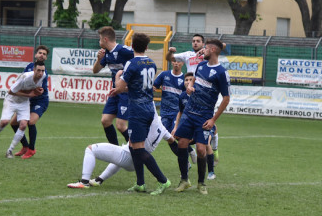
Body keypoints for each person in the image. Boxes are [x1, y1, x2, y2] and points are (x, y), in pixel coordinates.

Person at [110, 32, 171, 196]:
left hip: (137, 109)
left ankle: (163, 180)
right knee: (132, 146)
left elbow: (121, 87)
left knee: (138, 149)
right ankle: (140, 183)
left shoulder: (131, 63)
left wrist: (117, 77)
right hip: (149, 108)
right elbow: (141, 86)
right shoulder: (151, 63)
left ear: (131, 46)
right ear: (146, 47)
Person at [174, 39, 230, 195]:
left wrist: (213, 120)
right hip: (189, 111)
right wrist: (190, 86)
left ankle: (201, 183)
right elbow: (194, 78)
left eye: (205, 48)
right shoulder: (200, 65)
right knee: (182, 144)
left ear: (212, 50)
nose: (202, 51)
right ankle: (184, 180)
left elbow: (226, 99)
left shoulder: (221, 73)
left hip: (204, 115)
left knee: (200, 149)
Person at [67, 112, 176, 189]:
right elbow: (172, 141)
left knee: (90, 149)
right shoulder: (164, 131)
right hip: (136, 163)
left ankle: (84, 182)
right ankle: (99, 180)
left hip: (128, 155)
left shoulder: (154, 120)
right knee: (119, 154)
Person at [0, 60, 46, 158]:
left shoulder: (43, 76)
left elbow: (37, 87)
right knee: (4, 122)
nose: (41, 73)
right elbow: (11, 91)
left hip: (24, 102)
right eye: (38, 70)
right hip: (11, 100)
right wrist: (29, 94)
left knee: (23, 125)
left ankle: (9, 151)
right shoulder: (25, 77)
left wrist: (39, 90)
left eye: (42, 71)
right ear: (34, 70)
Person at [93, 26, 134, 146]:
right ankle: (115, 151)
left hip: (126, 93)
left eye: (100, 39)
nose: (99, 41)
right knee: (105, 121)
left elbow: (139, 58)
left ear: (105, 39)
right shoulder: (105, 54)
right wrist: (98, 59)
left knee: (121, 126)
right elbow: (95, 70)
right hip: (115, 92)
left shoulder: (124, 50)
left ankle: (136, 150)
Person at [10, 45, 50, 159]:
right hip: (27, 100)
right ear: (36, 55)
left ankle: (31, 149)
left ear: (46, 58)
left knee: (31, 122)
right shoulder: (29, 66)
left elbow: (38, 90)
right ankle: (25, 146)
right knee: (13, 123)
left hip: (40, 100)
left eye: (44, 54)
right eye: (40, 53)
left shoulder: (43, 72)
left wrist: (19, 91)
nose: (42, 55)